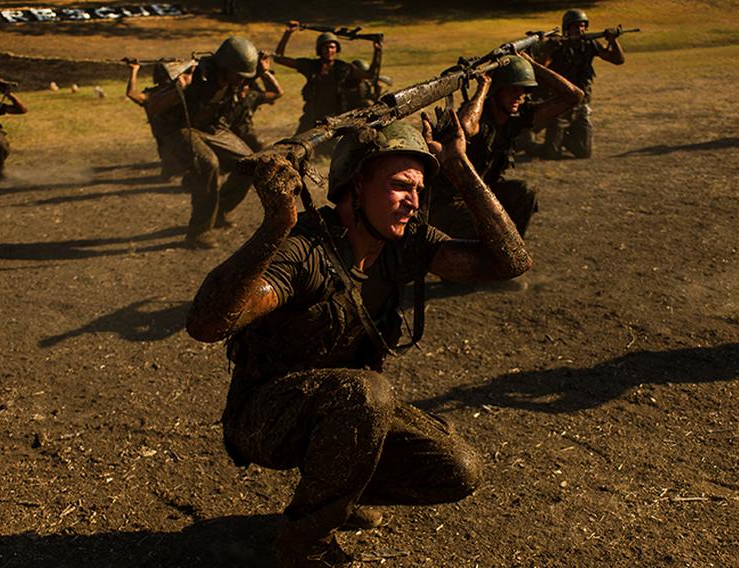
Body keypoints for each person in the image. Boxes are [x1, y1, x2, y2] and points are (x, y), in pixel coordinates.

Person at [185, 113, 532, 566]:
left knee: (456, 468)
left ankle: (334, 497)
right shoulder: (304, 249)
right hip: (265, 417)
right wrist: (275, 226)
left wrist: (457, 163)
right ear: (354, 184)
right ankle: (301, 547)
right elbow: (207, 324)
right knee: (368, 392)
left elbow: (510, 262)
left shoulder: (406, 243)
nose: (412, 202)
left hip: (347, 413)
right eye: (400, 186)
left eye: (419, 191)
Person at [429, 54, 583, 240]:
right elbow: (466, 128)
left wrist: (533, 66)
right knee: (489, 224)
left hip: (481, 193)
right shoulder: (478, 115)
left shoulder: (516, 117)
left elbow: (574, 96)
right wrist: (484, 87)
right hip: (449, 202)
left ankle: (510, 249)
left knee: (525, 192)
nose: (519, 96)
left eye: (523, 89)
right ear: (496, 91)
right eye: (512, 89)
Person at [145, 36, 261, 250]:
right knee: (209, 165)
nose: (242, 80)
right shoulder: (195, 75)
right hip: (179, 129)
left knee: (251, 162)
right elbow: (153, 106)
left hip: (211, 127)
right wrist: (178, 90)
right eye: (239, 74)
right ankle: (198, 232)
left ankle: (219, 210)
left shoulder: (234, 79)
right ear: (225, 66)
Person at [533, 8, 625, 159]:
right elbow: (540, 67)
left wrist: (613, 40)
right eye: (575, 26)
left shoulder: (590, 44)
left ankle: (565, 139)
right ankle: (529, 143)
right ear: (567, 28)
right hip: (560, 104)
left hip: (581, 105)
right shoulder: (558, 45)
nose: (579, 29)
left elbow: (618, 60)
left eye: (582, 25)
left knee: (583, 152)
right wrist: (549, 49)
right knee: (551, 153)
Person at [274, 21, 382, 133]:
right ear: (319, 49)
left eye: (332, 47)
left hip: (336, 119)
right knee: (295, 147)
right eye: (325, 47)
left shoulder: (344, 68)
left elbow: (370, 75)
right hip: (311, 118)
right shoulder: (310, 66)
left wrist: (377, 52)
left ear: (336, 50)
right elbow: (278, 58)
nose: (329, 50)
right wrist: (287, 33)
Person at [125, 58, 196, 180]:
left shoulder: (182, 89)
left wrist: (191, 64)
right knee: (171, 171)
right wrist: (134, 70)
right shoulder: (154, 95)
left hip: (185, 136)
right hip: (167, 140)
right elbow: (132, 93)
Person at [228, 55, 284, 152]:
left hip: (243, 134)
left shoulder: (251, 96)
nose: (243, 87)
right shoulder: (225, 93)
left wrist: (264, 72)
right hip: (225, 133)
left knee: (260, 148)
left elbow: (277, 93)